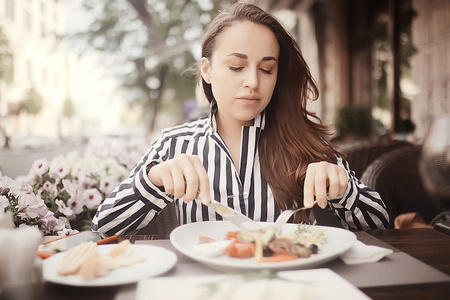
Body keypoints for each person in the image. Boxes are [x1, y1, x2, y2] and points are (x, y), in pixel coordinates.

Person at [92, 3, 389, 237]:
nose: (252, 82)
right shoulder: (175, 144)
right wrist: (153, 181)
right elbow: (104, 225)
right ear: (207, 70)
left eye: (267, 69)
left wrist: (344, 190)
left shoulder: (306, 142)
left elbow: (380, 224)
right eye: (236, 67)